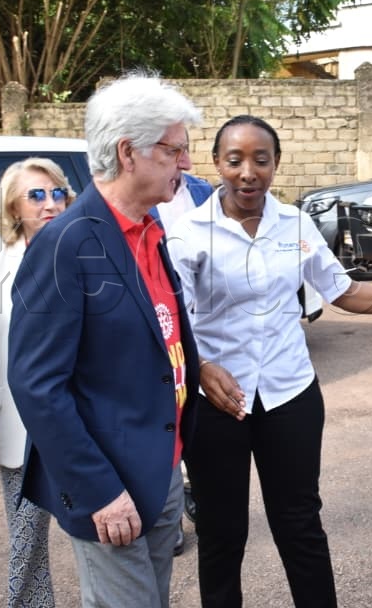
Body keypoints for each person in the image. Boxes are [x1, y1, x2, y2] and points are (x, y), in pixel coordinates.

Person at [167, 114, 372, 608]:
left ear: (276, 164)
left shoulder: (295, 224)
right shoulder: (188, 234)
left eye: (261, 160)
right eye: (236, 160)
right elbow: (173, 321)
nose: (249, 172)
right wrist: (200, 367)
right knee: (223, 533)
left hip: (289, 393)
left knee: (300, 523)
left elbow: (345, 292)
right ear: (217, 164)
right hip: (217, 402)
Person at [7, 72, 202, 608]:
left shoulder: (150, 230)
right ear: (128, 152)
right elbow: (36, 385)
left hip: (160, 467)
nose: (185, 163)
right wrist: (99, 492)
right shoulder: (65, 243)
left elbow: (161, 342)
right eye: (174, 150)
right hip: (109, 482)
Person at [0, 158, 77, 607]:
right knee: (26, 539)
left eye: (57, 193)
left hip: (78, 424)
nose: (50, 203)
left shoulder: (86, 260)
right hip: (17, 425)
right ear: (12, 206)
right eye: (37, 195)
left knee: (103, 536)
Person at [150, 166, 213, 556]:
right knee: (164, 420)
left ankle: (196, 496)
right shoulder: (141, 199)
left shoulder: (201, 191)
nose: (185, 160)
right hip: (160, 324)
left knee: (197, 422)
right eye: (174, 149)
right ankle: (169, 518)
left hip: (199, 329)